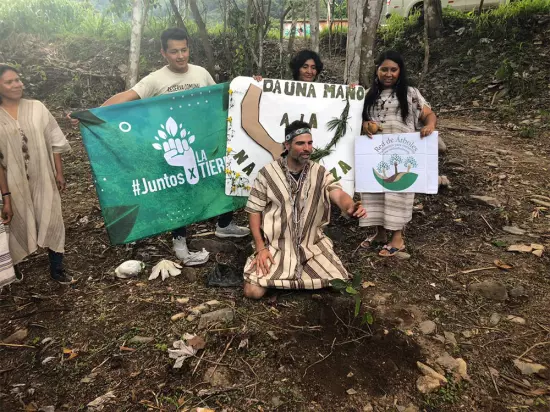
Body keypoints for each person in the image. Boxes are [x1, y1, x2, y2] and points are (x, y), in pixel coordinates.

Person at [71, 28, 250, 266]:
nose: (180, 56)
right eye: (174, 51)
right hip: (174, 148)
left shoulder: (201, 73)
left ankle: (225, 224)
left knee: (220, 177)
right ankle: (180, 244)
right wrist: (93, 115)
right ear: (163, 52)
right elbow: (126, 97)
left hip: (206, 142)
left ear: (189, 48)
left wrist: (250, 88)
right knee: (178, 193)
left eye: (184, 50)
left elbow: (219, 98)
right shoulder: (156, 79)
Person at [243, 120, 366, 299]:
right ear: (287, 145)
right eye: (300, 143)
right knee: (252, 292)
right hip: (277, 246)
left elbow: (337, 194)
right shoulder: (267, 174)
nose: (307, 148)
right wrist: (261, 248)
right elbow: (254, 211)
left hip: (312, 246)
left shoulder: (320, 172)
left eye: (309, 143)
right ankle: (288, 278)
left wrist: (350, 206)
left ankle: (285, 282)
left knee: (340, 282)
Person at [359, 50, 437, 257]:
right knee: (374, 192)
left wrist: (429, 126)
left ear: (400, 72)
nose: (388, 74)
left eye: (393, 70)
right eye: (384, 69)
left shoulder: (410, 93)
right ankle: (380, 234)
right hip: (374, 153)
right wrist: (365, 124)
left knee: (398, 193)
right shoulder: (368, 94)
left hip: (402, 152)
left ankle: (398, 238)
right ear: (377, 70)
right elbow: (356, 122)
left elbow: (428, 114)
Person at [0, 64, 73, 284]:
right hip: (14, 181)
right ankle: (14, 265)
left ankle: (57, 267)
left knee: (52, 218)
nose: (17, 85)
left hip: (44, 175)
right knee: (16, 221)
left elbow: (55, 141)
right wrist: (6, 197)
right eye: (9, 82)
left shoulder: (37, 107)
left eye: (18, 80)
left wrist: (59, 173)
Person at [253, 49, 324, 83]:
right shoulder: (283, 91)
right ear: (297, 69)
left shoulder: (323, 94)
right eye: (305, 67)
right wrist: (257, 83)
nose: (309, 71)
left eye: (313, 67)